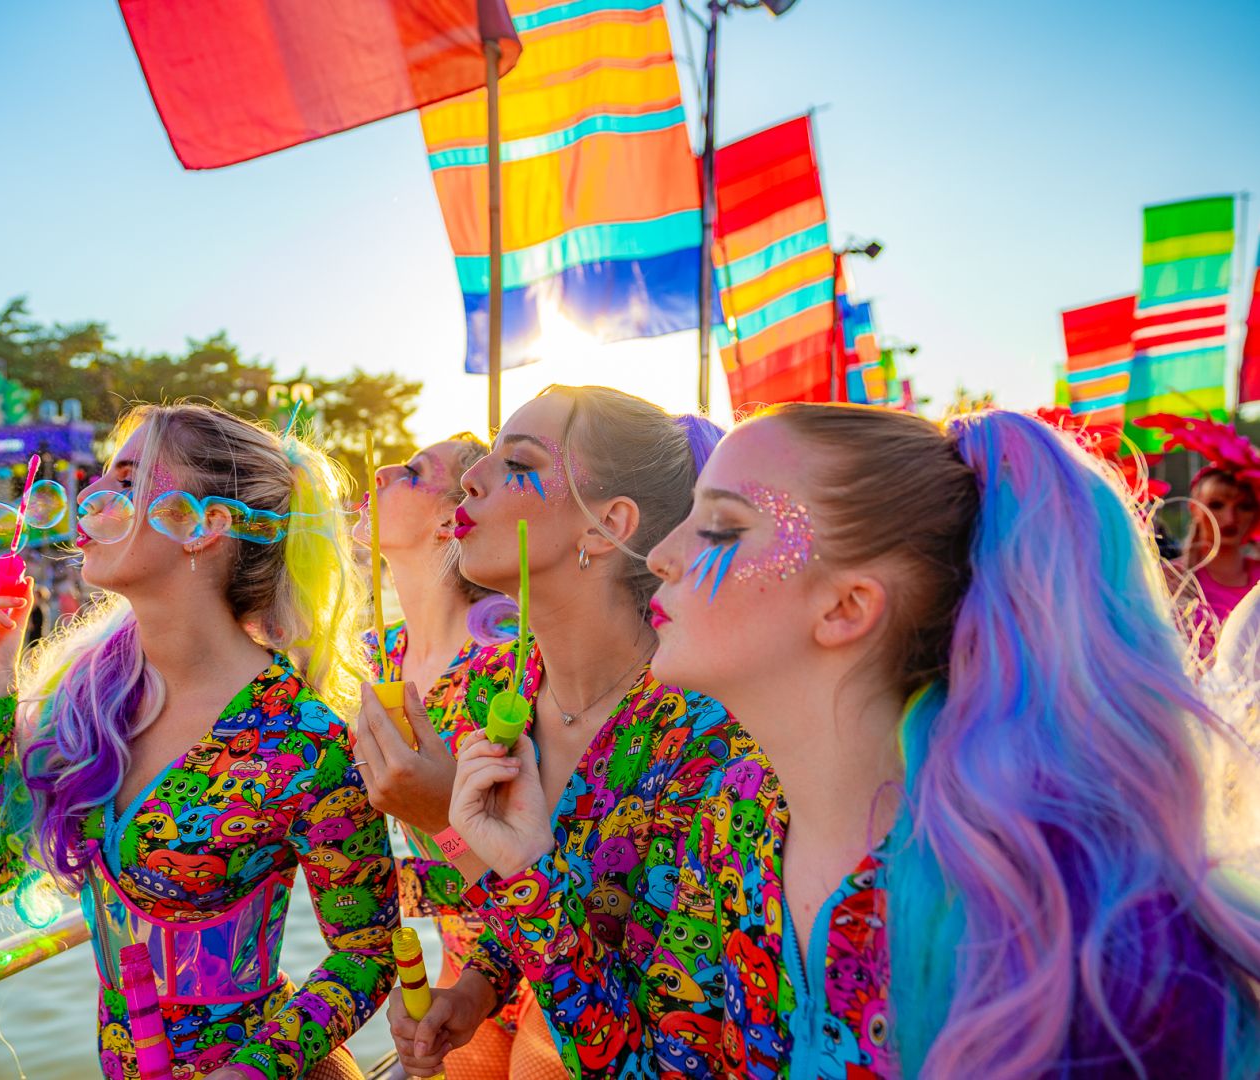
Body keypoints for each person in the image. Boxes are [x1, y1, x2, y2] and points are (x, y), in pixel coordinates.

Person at [459, 403, 1260, 1077]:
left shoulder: (1051, 914)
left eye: (721, 530)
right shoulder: (736, 822)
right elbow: (657, 1067)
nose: (662, 556)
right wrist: (525, 869)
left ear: (845, 607)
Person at [0, 402, 399, 1080]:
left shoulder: (300, 740)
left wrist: (251, 1071)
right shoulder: (87, 701)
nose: (91, 496)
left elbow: (367, 953)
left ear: (202, 525)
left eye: (127, 480)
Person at [379, 387, 743, 1078]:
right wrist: (475, 990)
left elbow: (666, 1055)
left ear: (605, 525)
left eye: (517, 463)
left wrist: (446, 825)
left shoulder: (707, 746)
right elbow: (525, 901)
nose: (471, 479)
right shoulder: (496, 690)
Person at [354, 433, 524, 1078]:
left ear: (452, 519)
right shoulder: (376, 658)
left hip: (543, 958)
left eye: (414, 471)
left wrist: (416, 864)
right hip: (461, 967)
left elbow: (532, 853)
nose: (382, 471)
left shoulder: (508, 666)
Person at [1137, 414, 1260, 656]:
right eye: (1217, 505)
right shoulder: (1168, 580)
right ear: (1194, 508)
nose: (1230, 518)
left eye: (1243, 507)